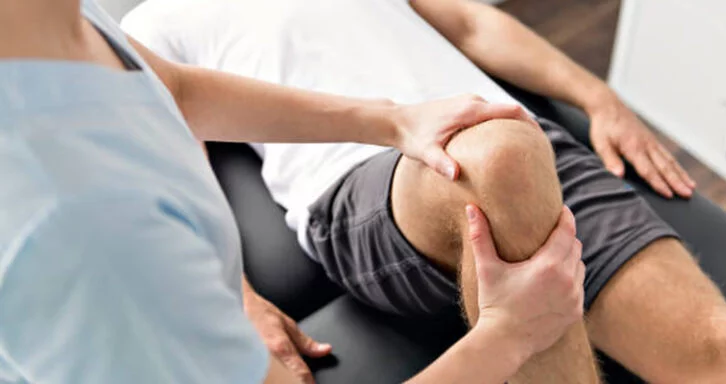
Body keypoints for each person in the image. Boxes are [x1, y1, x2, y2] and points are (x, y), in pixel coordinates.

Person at [122, 0, 726, 383]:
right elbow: (176, 157)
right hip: (365, 189)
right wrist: (237, 295)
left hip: (523, 146)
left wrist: (599, 96)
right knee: (499, 152)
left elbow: (470, 23)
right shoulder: (154, 22)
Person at [0, 0, 587, 383]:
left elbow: (173, 89)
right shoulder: (79, 224)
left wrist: (390, 120)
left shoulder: (55, 22)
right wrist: (508, 336)